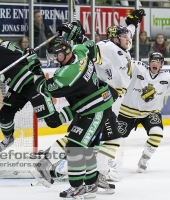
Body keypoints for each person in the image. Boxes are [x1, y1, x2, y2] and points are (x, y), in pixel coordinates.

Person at [30, 9, 146, 183]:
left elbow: (128, 31)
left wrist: (133, 21)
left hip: (107, 98)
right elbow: (86, 49)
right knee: (105, 138)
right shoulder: (108, 47)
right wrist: (77, 36)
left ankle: (56, 165)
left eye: (127, 36)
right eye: (124, 36)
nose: (128, 38)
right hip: (104, 97)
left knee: (86, 137)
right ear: (115, 38)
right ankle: (97, 172)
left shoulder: (121, 45)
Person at [29, 36, 115, 199]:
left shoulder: (68, 73)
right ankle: (91, 185)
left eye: (57, 55)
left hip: (95, 109)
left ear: (66, 51)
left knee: (74, 146)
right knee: (87, 148)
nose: (55, 58)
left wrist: (35, 68)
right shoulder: (79, 50)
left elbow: (43, 89)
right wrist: (75, 34)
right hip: (91, 106)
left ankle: (78, 188)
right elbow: (89, 44)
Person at [117, 52, 170, 173]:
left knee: (157, 133)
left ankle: (144, 159)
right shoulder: (138, 68)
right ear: (149, 62)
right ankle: (111, 162)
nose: (155, 63)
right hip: (127, 112)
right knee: (115, 137)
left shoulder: (167, 77)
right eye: (153, 60)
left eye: (158, 61)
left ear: (161, 64)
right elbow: (123, 66)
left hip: (150, 112)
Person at [0, 33, 63, 153]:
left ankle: (79, 112)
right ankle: (9, 138)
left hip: (33, 84)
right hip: (18, 87)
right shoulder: (1, 45)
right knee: (4, 116)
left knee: (52, 121)